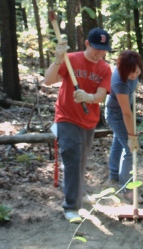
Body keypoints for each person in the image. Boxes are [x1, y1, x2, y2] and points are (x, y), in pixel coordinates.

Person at [44, 28, 112, 223]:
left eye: (103, 50)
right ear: (87, 44)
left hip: (88, 120)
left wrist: (89, 97)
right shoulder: (71, 59)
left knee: (81, 160)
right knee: (73, 159)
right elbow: (48, 81)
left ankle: (80, 192)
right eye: (96, 48)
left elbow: (100, 95)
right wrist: (58, 58)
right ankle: (71, 206)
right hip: (66, 117)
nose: (99, 53)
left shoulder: (104, 69)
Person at [104, 50, 143, 204]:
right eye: (130, 74)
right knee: (129, 149)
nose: (134, 76)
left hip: (124, 110)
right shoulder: (119, 81)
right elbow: (126, 113)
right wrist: (133, 137)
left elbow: (132, 91)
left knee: (118, 142)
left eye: (136, 72)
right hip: (116, 114)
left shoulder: (133, 70)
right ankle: (127, 188)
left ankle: (115, 174)